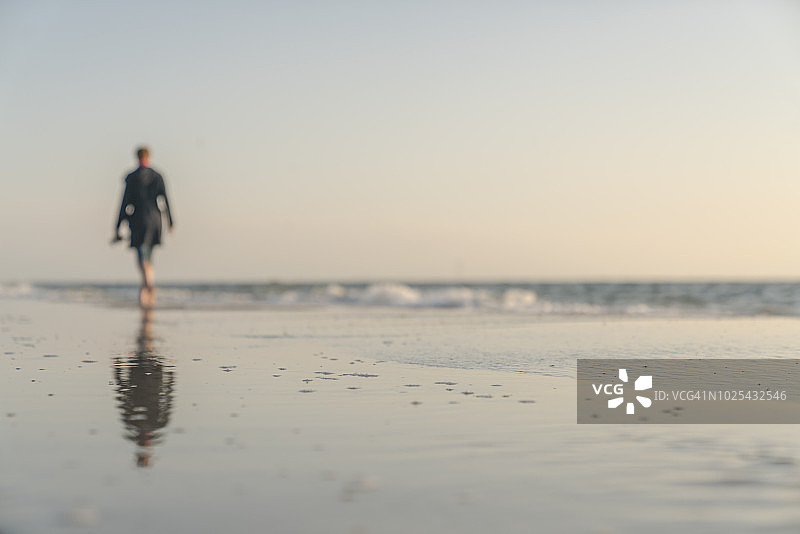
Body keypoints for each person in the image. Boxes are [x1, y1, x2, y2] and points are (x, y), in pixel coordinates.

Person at [113, 146, 174, 308]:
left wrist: (117, 226)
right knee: (149, 256)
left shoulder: (131, 178)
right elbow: (166, 200)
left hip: (139, 220)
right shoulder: (157, 176)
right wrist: (171, 222)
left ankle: (149, 285)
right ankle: (146, 292)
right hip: (155, 219)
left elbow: (124, 203)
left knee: (142, 257)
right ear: (149, 157)